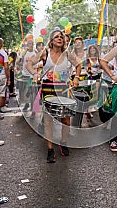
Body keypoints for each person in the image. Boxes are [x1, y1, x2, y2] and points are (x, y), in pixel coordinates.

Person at [26, 30, 81, 163]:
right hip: (48, 88)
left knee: (66, 120)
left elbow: (79, 64)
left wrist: (76, 77)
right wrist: (34, 73)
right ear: (51, 40)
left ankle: (63, 142)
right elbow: (29, 62)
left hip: (63, 89)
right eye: (56, 37)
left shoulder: (67, 54)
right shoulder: (45, 52)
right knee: (48, 120)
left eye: (61, 37)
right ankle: (50, 149)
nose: (59, 39)